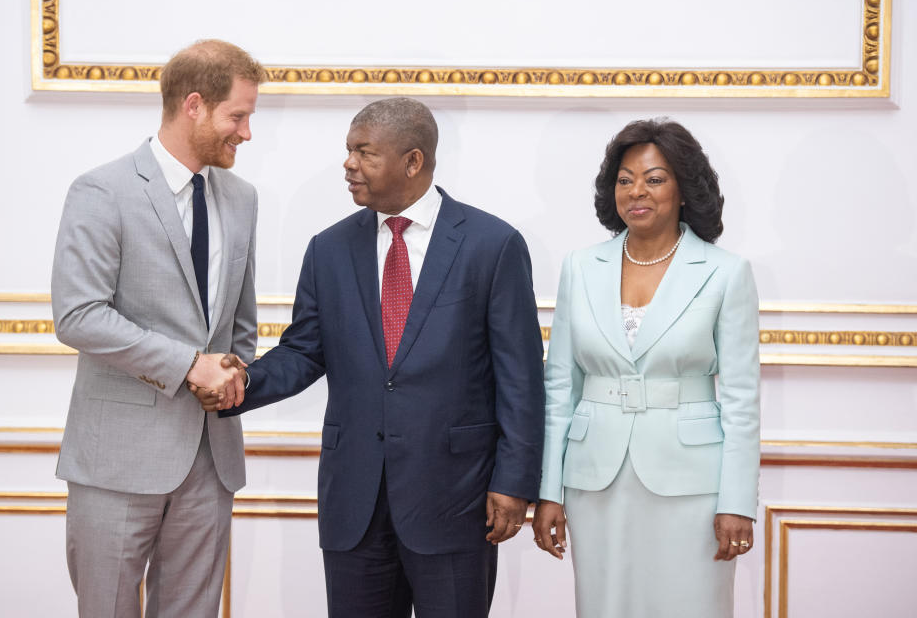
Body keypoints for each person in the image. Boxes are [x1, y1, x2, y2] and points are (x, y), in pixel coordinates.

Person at [200, 97, 545, 617]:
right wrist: (240, 382)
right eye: (348, 151)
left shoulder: (492, 245)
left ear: (413, 161)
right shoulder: (328, 248)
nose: (348, 164)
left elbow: (520, 378)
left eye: (364, 152)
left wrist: (515, 482)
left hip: (455, 499)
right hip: (354, 503)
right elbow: (302, 350)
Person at [51, 39, 265, 617]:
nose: (246, 132)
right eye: (238, 116)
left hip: (211, 458)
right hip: (116, 460)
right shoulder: (101, 191)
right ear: (194, 105)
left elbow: (237, 327)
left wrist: (232, 368)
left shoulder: (242, 199)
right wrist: (187, 364)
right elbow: (77, 314)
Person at [532, 119, 760, 617]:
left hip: (694, 486)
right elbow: (559, 388)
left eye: (654, 179)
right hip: (595, 480)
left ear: (683, 189)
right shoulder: (579, 267)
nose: (637, 191)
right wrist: (548, 489)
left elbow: (742, 401)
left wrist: (738, 500)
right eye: (625, 179)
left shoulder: (725, 272)